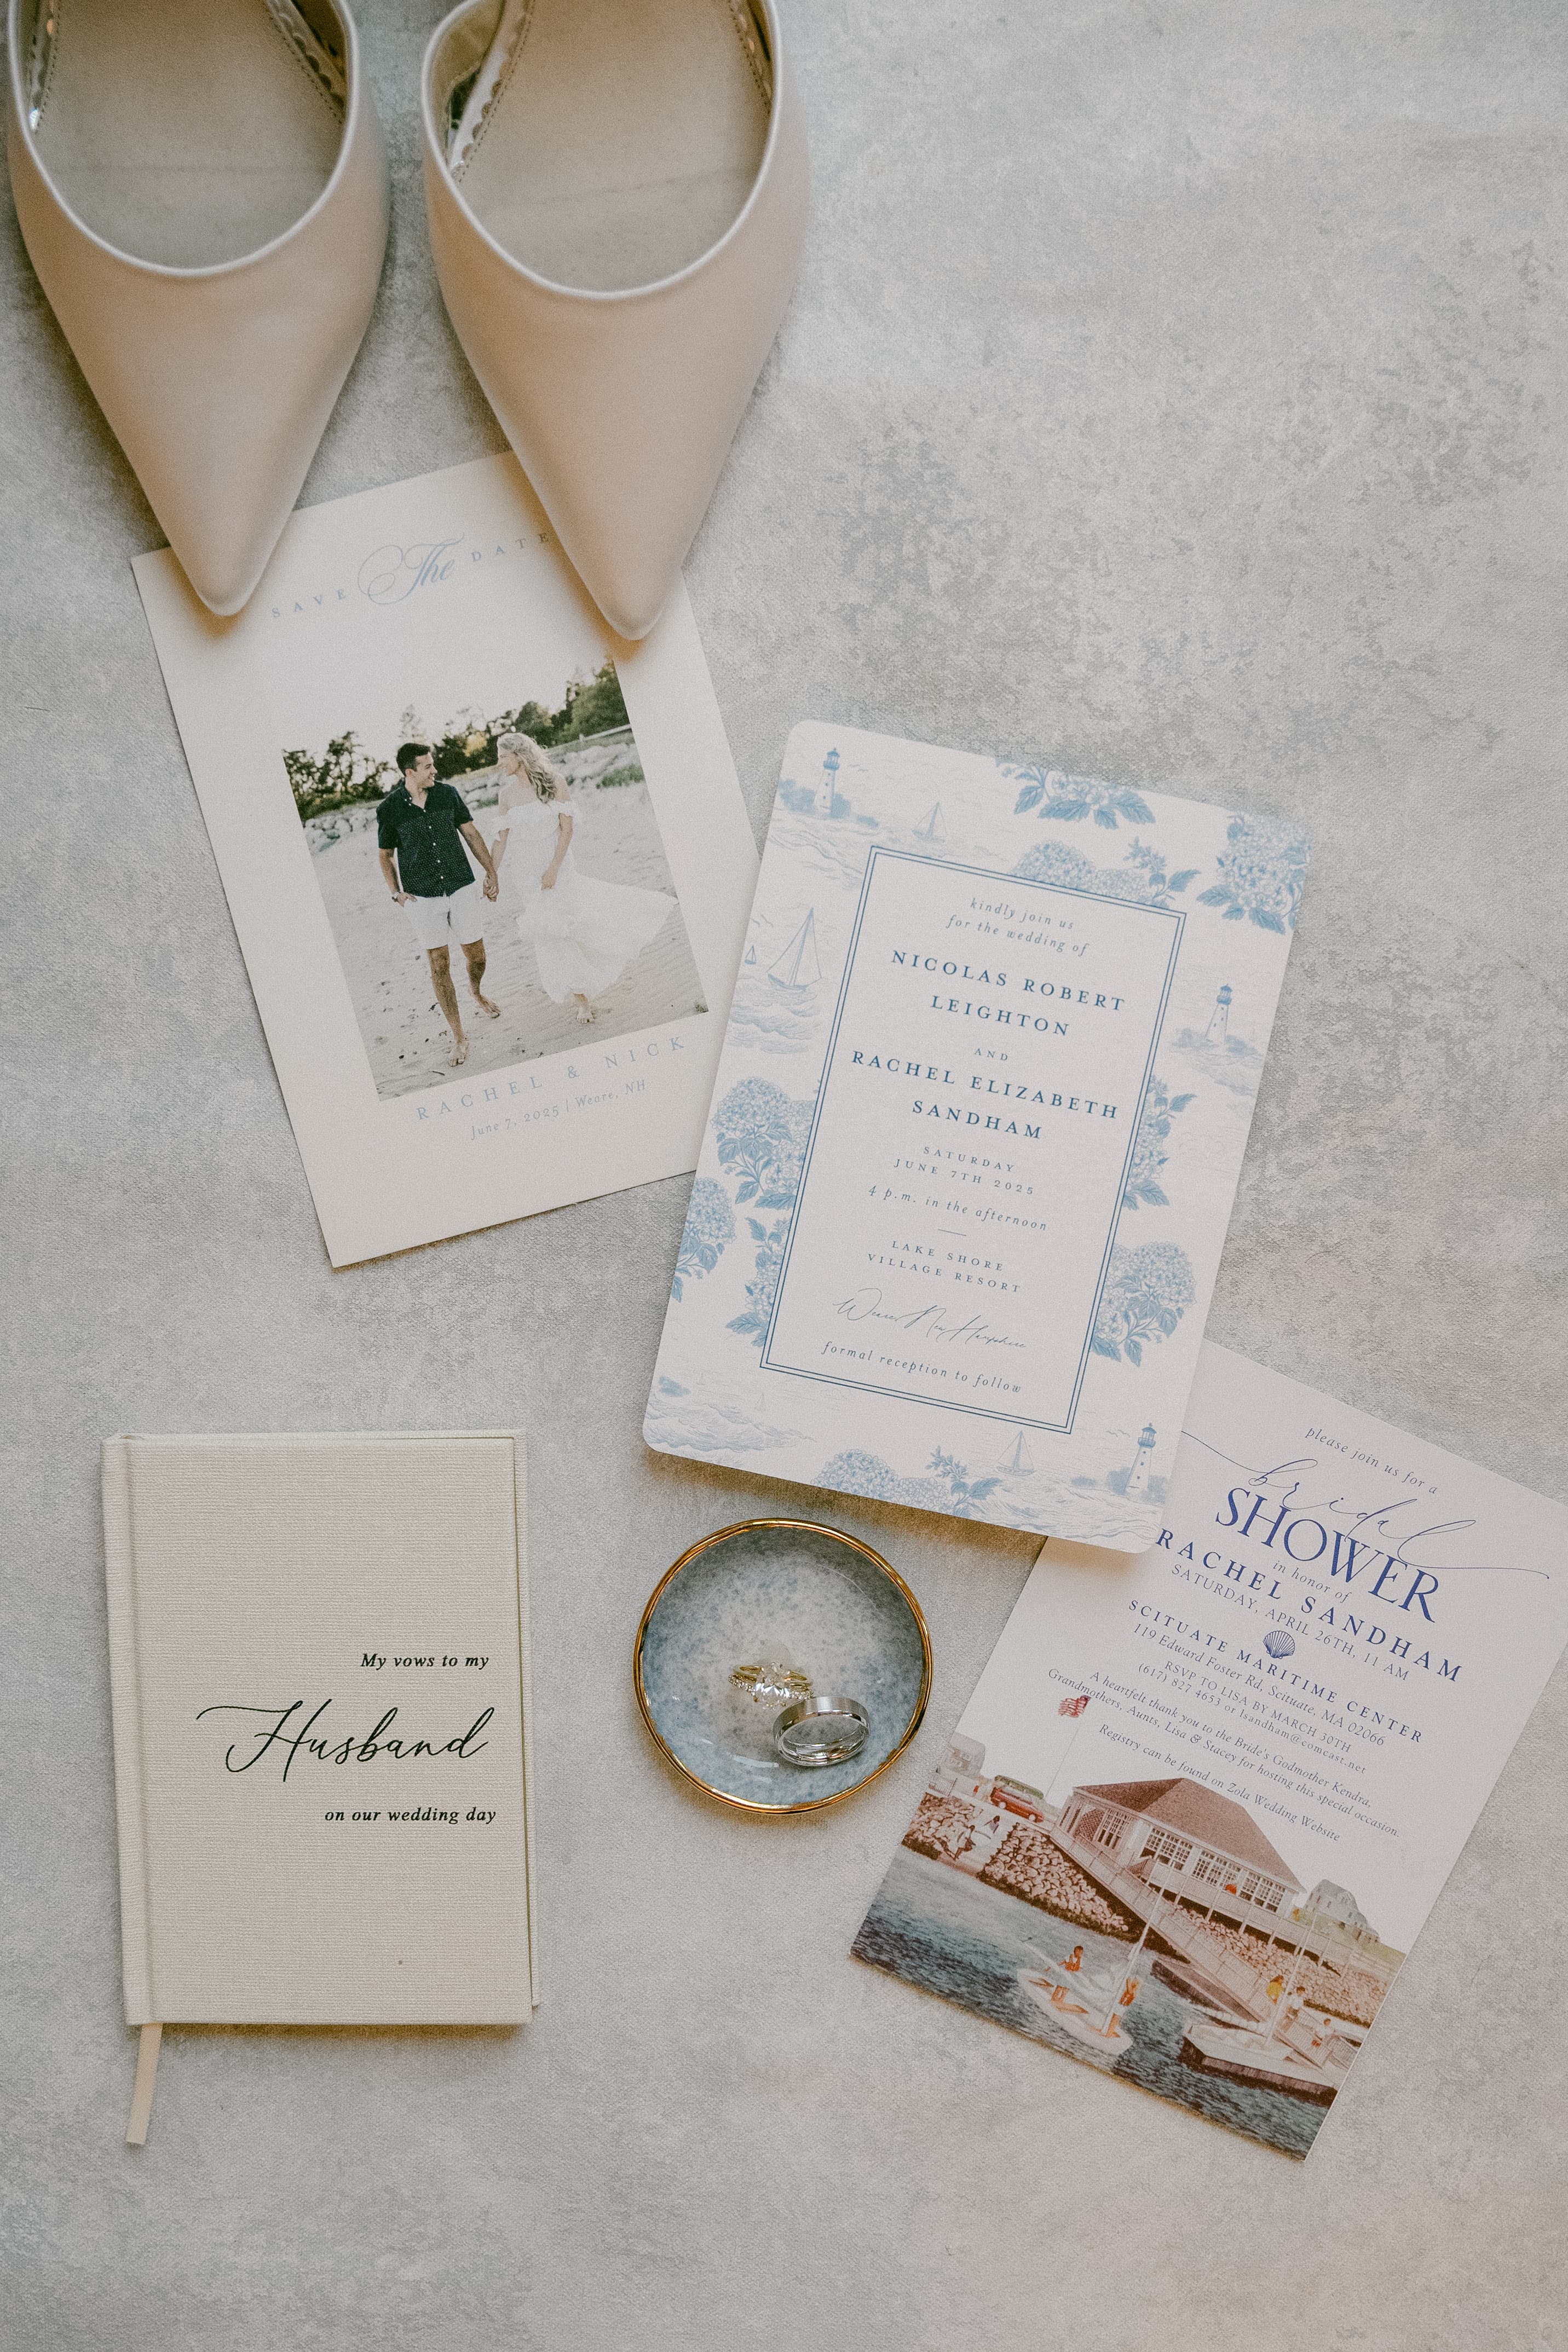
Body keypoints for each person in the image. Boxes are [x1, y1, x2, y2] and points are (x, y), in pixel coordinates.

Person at [488, 731, 674, 1025]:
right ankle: (579, 996)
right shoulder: (506, 795)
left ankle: (586, 989)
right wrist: (491, 873)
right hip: (525, 874)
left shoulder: (554, 783)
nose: (499, 764)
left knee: (569, 925)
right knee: (549, 932)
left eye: (503, 757)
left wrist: (553, 868)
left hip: (557, 866)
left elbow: (567, 830)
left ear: (519, 757)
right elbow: (501, 840)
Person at [377, 743, 500, 1068]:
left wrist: (491, 872)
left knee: (476, 956)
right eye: (428, 767)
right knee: (439, 963)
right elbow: (385, 854)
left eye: (433, 765)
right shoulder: (390, 809)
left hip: (461, 885)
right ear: (410, 772)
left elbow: (471, 834)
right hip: (422, 897)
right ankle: (459, 1035)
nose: (434, 771)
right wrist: (396, 892)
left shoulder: (448, 795)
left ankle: (476, 990)